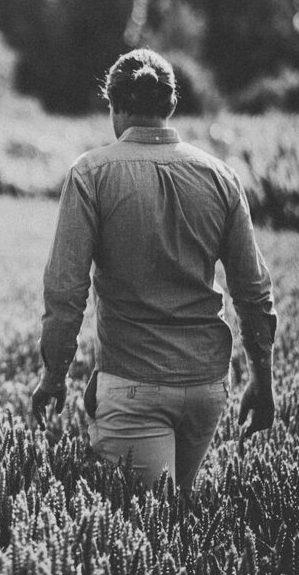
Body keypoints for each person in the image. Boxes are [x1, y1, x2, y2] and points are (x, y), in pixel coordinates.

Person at [30, 48, 276, 494]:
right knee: (173, 524)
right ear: (171, 106)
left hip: (133, 386)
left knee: (141, 532)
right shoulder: (221, 176)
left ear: (114, 106)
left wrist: (53, 377)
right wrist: (263, 380)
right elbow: (253, 290)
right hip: (207, 387)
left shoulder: (91, 173)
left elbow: (65, 291)